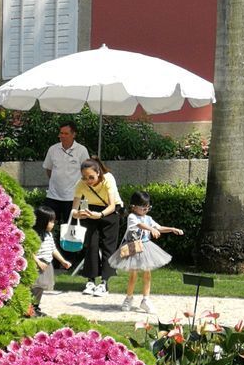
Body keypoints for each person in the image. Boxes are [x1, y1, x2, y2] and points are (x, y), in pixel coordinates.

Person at [110, 191, 183, 313]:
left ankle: (146, 300)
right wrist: (150, 229)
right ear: (133, 207)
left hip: (146, 248)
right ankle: (129, 298)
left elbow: (158, 227)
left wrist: (172, 229)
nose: (146, 209)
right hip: (134, 248)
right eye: (143, 207)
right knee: (133, 275)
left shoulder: (148, 218)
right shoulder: (132, 217)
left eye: (148, 207)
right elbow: (139, 225)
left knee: (147, 274)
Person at [70, 156, 122, 296]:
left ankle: (104, 283)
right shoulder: (81, 184)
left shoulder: (108, 179)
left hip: (109, 211)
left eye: (91, 177)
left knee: (108, 247)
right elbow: (74, 209)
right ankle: (91, 281)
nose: (88, 181)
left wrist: (99, 215)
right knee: (91, 246)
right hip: (90, 211)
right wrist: (77, 214)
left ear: (98, 172)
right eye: (84, 177)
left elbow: (111, 206)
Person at [42, 121, 89, 238]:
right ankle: (48, 252)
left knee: (71, 229)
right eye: (61, 133)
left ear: (74, 134)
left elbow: (87, 172)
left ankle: (70, 254)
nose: (62, 136)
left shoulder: (81, 150)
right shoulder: (53, 149)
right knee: (46, 225)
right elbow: (49, 169)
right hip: (53, 196)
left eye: (66, 133)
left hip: (72, 198)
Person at [31, 206, 71, 316]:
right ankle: (29, 307)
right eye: (51, 221)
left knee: (40, 288)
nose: (53, 224)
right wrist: (37, 262)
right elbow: (29, 250)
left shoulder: (49, 234)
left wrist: (63, 261)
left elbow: (53, 249)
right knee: (34, 286)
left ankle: (35, 306)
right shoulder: (34, 235)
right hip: (38, 264)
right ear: (42, 221)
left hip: (47, 264)